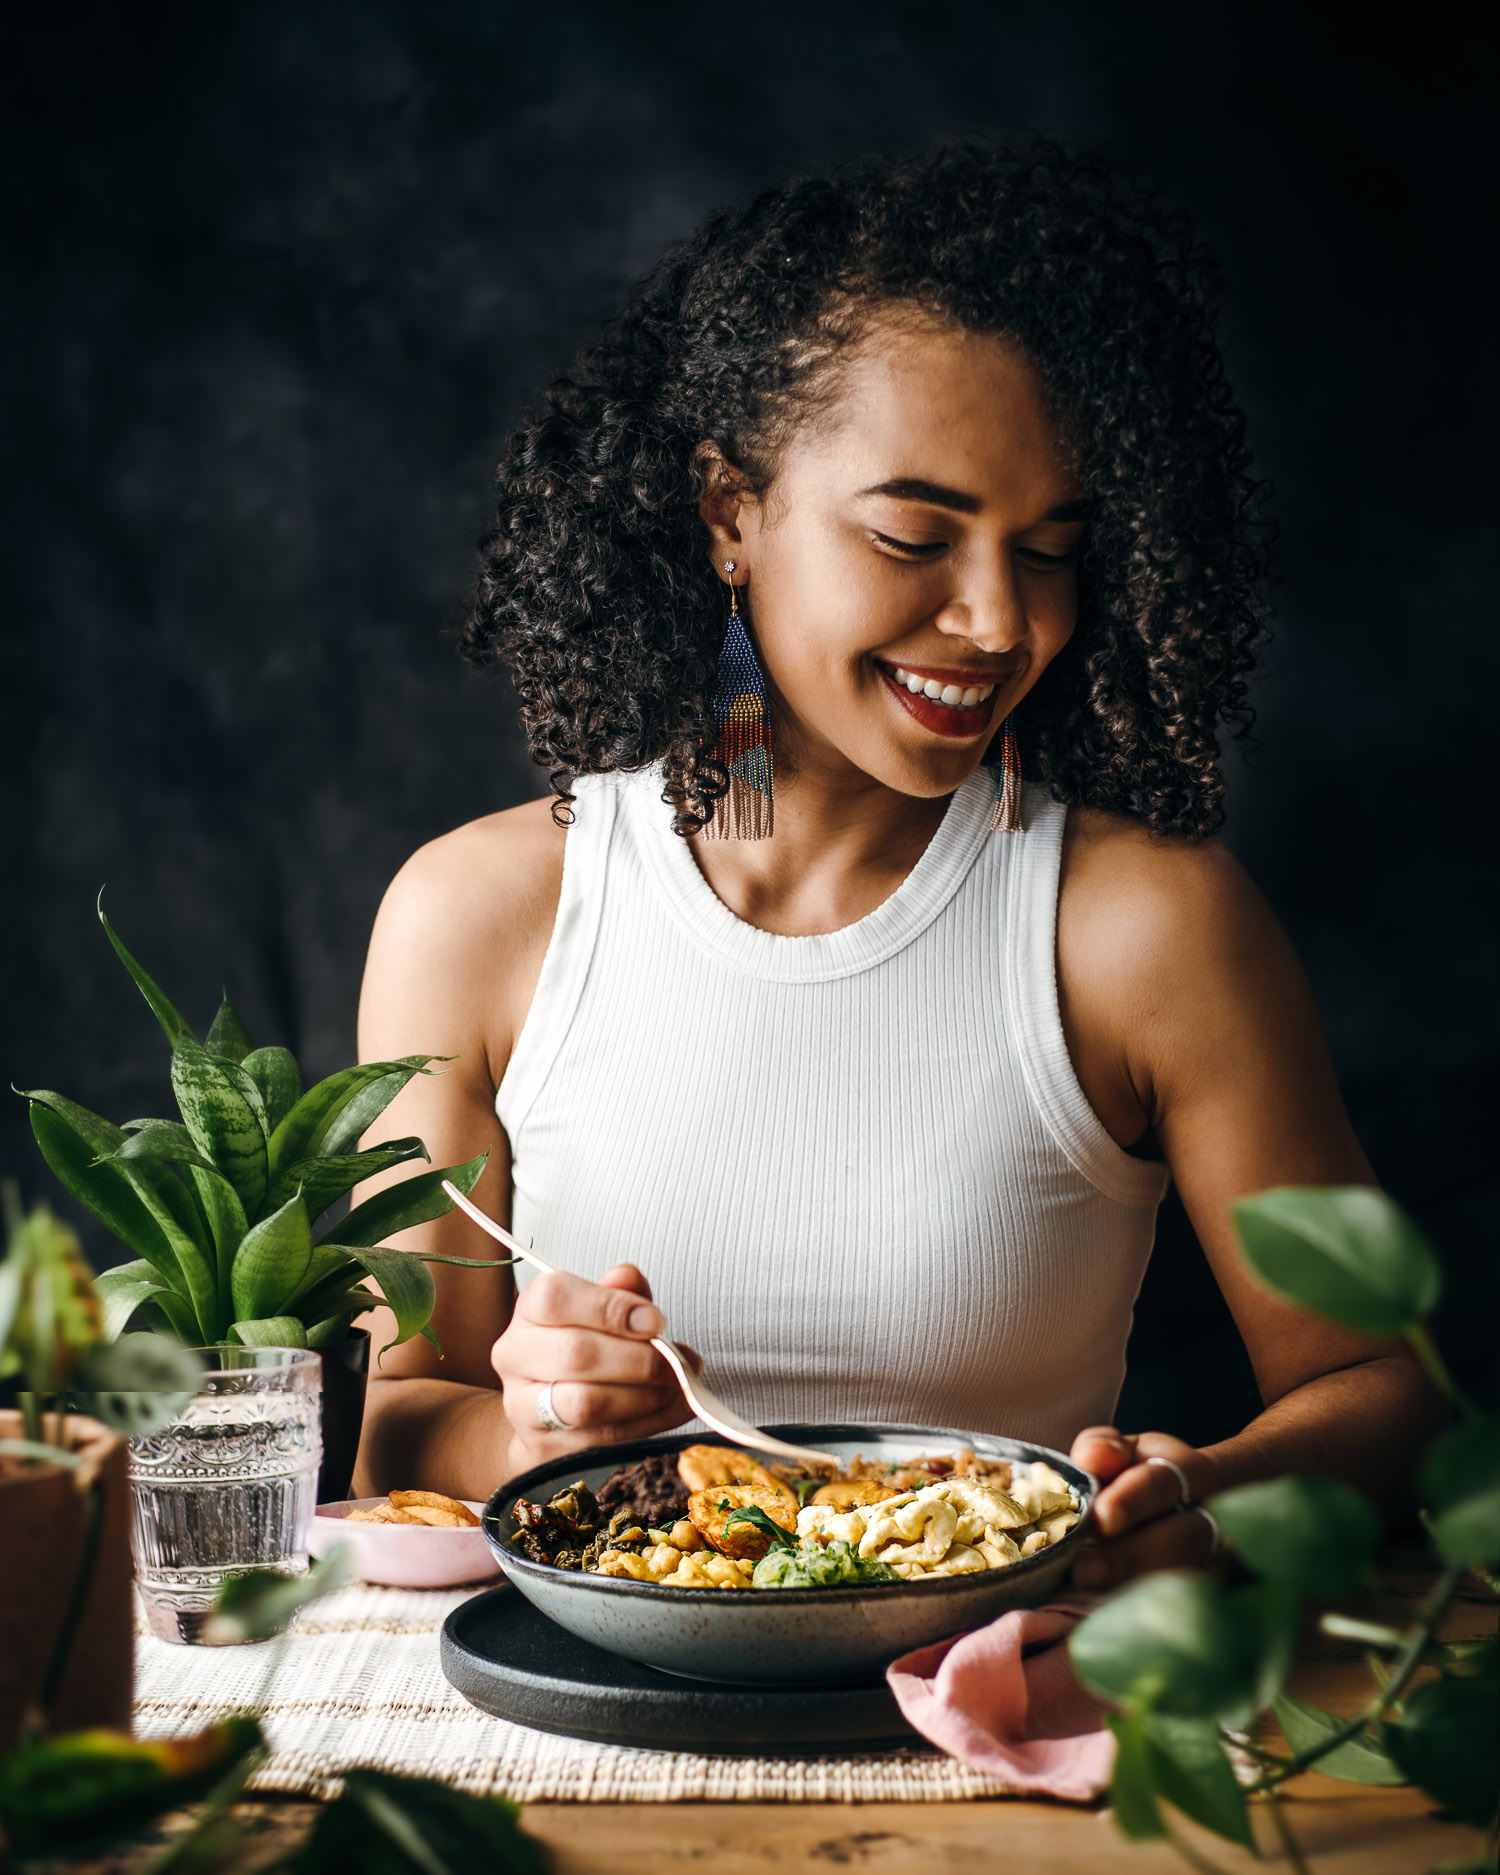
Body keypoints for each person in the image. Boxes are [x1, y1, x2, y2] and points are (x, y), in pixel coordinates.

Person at [351, 139, 1440, 1587]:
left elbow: (1385, 1392)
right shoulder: (476, 921)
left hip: (1007, 1736)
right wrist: (528, 1439)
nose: (1000, 622)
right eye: (915, 535)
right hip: (609, 1719)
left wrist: (1207, 1502)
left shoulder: (1147, 930)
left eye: (1052, 549)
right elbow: (395, 1415)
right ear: (729, 512)